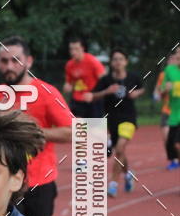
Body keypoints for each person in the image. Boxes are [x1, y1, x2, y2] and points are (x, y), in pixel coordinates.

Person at [0, 36, 72, 216]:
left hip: (38, 184)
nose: (9, 66)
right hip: (4, 183)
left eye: (15, 60)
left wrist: (28, 131)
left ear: (28, 61)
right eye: (4, 61)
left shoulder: (46, 92)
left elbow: (72, 132)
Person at [85, 49, 144, 197]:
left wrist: (136, 93)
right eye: (115, 59)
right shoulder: (106, 80)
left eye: (121, 59)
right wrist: (107, 91)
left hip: (128, 119)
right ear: (111, 63)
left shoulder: (133, 77)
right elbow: (92, 96)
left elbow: (142, 88)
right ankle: (128, 174)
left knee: (119, 148)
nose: (118, 62)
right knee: (120, 151)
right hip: (112, 120)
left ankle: (113, 184)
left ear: (126, 62)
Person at [63, 37, 105, 117]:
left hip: (93, 100)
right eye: (71, 49)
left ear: (83, 48)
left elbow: (103, 81)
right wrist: (67, 86)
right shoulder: (69, 65)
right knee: (79, 128)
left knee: (96, 128)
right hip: (77, 100)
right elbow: (69, 83)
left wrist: (95, 94)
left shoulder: (92, 61)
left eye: (76, 49)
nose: (73, 52)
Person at [153, 53, 178, 168]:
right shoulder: (164, 74)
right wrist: (161, 92)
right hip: (167, 110)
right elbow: (158, 92)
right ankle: (173, 159)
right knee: (167, 137)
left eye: (176, 59)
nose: (173, 61)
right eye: (171, 60)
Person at [162, 47, 180, 168]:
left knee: (177, 144)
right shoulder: (169, 70)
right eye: (178, 52)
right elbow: (161, 92)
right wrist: (165, 89)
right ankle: (174, 160)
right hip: (174, 113)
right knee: (171, 143)